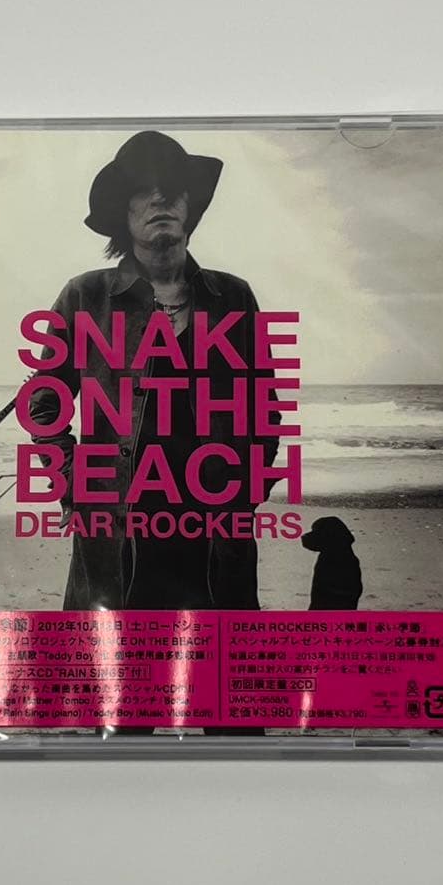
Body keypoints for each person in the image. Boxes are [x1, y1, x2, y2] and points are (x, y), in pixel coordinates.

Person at [28, 130, 281, 616]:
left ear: (190, 205)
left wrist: (251, 490)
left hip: (213, 531)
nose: (160, 198)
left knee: (216, 656)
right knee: (110, 656)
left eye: (172, 186)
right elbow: (43, 402)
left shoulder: (233, 297)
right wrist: (72, 482)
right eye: (143, 189)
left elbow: (265, 406)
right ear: (123, 213)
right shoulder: (85, 296)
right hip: (116, 531)